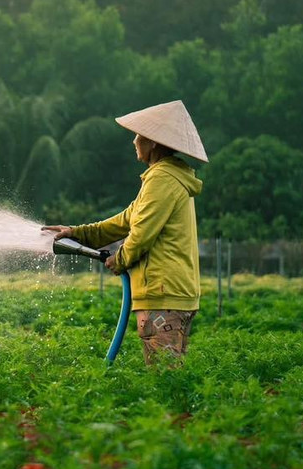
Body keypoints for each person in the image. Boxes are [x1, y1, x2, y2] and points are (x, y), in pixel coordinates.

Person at [43, 100, 208, 366]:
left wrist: (119, 260)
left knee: (164, 376)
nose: (134, 141)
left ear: (153, 142)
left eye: (139, 135)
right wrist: (76, 232)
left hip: (162, 292)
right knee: (172, 375)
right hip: (172, 292)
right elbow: (124, 221)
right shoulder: (166, 177)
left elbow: (141, 234)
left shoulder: (162, 179)